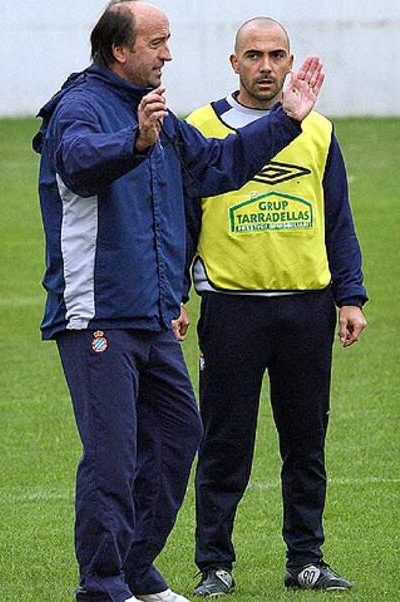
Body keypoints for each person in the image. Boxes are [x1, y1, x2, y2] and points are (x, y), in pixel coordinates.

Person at [32, 2, 324, 601]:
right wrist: (134, 142)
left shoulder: (159, 114)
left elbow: (219, 163)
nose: (168, 53)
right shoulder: (79, 109)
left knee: (176, 438)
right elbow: (79, 165)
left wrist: (287, 120)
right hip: (97, 315)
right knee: (112, 459)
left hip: (152, 313)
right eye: (157, 42)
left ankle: (137, 572)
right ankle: (104, 586)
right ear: (120, 50)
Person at [185, 17, 368, 597]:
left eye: (276, 55)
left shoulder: (318, 130)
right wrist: (170, 299)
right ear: (233, 63)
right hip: (231, 311)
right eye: (254, 55)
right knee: (223, 443)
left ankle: (306, 560)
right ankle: (215, 564)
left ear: (290, 63)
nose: (266, 66)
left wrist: (351, 296)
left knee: (306, 441)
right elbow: (182, 221)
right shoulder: (201, 128)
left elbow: (336, 216)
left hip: (306, 311)